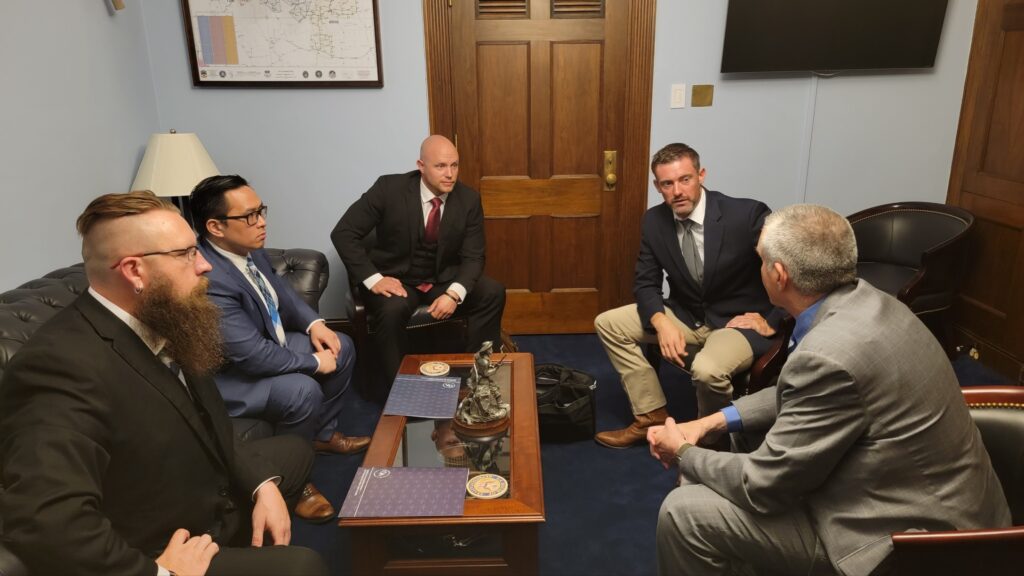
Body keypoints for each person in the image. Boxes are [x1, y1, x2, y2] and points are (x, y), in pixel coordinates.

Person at [648, 204, 1011, 576]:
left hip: (919, 542)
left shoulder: (829, 354)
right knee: (741, 438)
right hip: (939, 499)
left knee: (683, 513)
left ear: (779, 275)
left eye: (760, 261)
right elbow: (802, 391)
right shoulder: (871, 302)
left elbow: (761, 484)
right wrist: (713, 422)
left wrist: (684, 453)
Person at [0, 191, 328, 576]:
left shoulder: (166, 315)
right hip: (159, 545)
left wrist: (262, 486)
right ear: (134, 271)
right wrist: (161, 574)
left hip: (197, 491)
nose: (205, 265)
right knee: (304, 566)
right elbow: (49, 522)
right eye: (186, 254)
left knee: (295, 452)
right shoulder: (58, 366)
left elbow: (211, 421)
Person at [190, 175, 370, 522]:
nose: (261, 222)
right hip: (230, 377)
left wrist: (315, 324)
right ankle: (295, 480)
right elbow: (252, 356)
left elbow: (283, 294)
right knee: (301, 390)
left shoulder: (249, 249)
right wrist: (313, 362)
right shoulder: (210, 279)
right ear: (215, 227)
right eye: (249, 216)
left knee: (342, 346)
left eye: (261, 211)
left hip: (265, 344)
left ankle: (322, 435)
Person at [594, 142, 783, 448]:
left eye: (685, 179)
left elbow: (787, 268)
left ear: (701, 175)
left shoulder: (746, 214)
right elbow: (645, 282)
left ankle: (709, 445)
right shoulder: (654, 221)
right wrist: (661, 322)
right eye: (667, 184)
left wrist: (773, 321)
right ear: (657, 186)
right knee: (608, 323)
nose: (677, 191)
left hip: (736, 322)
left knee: (707, 371)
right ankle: (651, 417)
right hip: (687, 314)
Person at [331, 135, 506, 394]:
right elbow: (344, 233)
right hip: (397, 280)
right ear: (421, 166)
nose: (450, 174)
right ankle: (401, 391)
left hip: (443, 279)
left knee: (492, 292)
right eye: (441, 166)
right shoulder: (389, 189)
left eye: (455, 165)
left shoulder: (468, 199)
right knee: (391, 310)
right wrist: (374, 279)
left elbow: (474, 256)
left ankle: (474, 378)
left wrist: (453, 294)